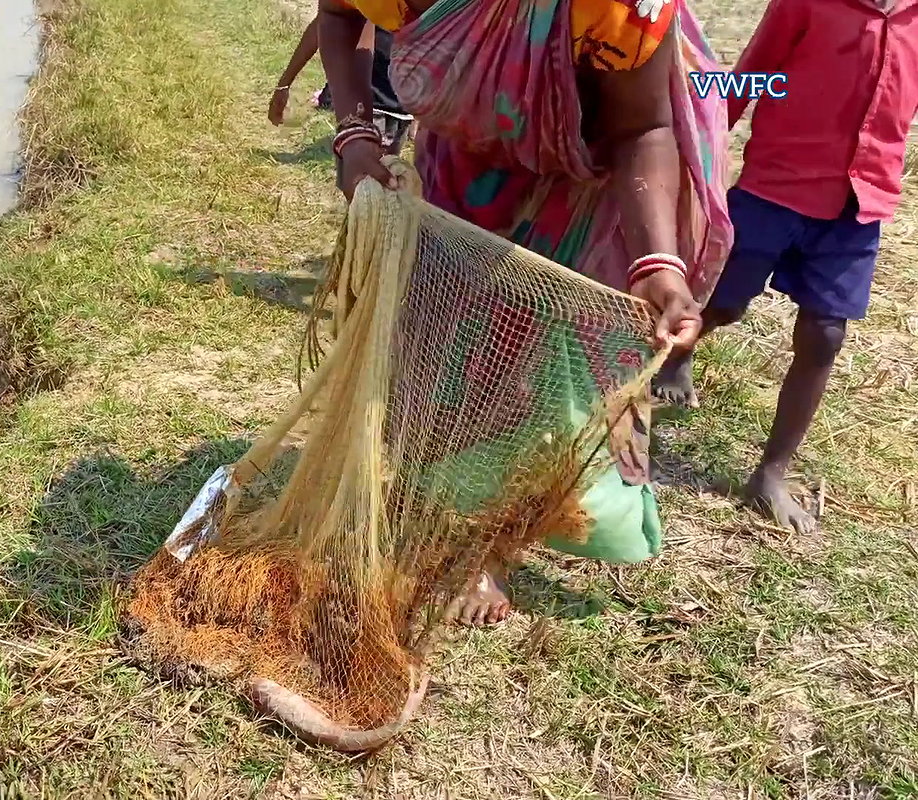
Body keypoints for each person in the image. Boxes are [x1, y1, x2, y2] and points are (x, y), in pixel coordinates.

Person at [317, 0, 733, 624]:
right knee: (434, 338)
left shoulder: (620, 9)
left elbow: (642, 127)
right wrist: (354, 135)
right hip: (463, 157)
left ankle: (483, 544)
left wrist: (659, 264)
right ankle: (421, 495)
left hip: (582, 179)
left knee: (528, 368)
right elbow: (338, 14)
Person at [654, 0, 918, 534]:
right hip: (774, 187)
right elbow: (755, 73)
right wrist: (700, 144)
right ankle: (666, 366)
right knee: (719, 305)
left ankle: (770, 472)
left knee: (825, 335)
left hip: (857, 203)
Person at [269, 16, 414, 154]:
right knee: (368, 174)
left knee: (385, 175)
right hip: (370, 106)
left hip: (400, 110)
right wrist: (284, 85)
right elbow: (324, 23)